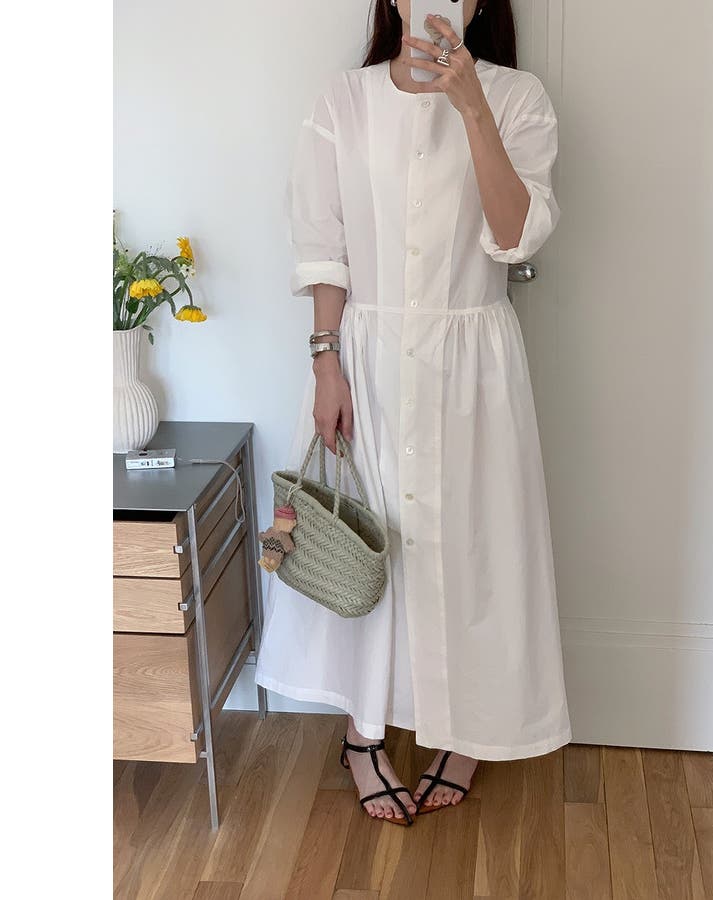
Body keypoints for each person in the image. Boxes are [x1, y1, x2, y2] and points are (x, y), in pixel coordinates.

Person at [255, 0, 572, 826]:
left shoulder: (517, 97)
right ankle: (362, 736)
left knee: (474, 547)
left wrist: (471, 106)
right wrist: (325, 361)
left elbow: (517, 236)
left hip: (474, 365)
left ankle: (467, 730)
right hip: (366, 361)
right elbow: (324, 243)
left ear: (477, 2)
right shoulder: (343, 99)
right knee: (373, 541)